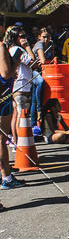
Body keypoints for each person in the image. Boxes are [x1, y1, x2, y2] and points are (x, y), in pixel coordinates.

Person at [0, 25, 23, 195]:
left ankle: (6, 174)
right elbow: (6, 73)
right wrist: (16, 62)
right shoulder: (1, 45)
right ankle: (6, 177)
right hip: (3, 96)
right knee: (1, 138)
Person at [8, 26, 36, 145]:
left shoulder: (12, 49)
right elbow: (33, 62)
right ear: (15, 38)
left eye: (25, 36)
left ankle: (16, 141)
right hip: (20, 85)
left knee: (16, 113)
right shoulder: (18, 50)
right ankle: (20, 142)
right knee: (21, 114)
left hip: (19, 85)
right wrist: (27, 47)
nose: (24, 39)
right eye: (21, 37)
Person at [31, 26, 55, 134]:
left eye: (48, 37)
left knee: (34, 100)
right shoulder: (39, 44)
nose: (46, 39)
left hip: (44, 71)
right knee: (40, 82)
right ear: (39, 37)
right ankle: (39, 109)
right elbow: (43, 60)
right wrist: (45, 62)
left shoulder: (51, 44)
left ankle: (34, 125)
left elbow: (53, 59)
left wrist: (47, 62)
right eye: (44, 37)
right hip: (33, 71)